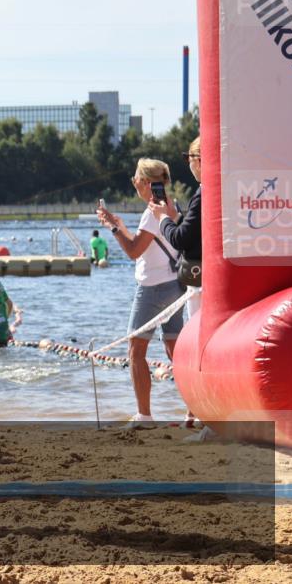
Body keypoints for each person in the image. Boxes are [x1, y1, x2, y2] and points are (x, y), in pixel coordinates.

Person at [97, 158, 186, 428]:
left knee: (136, 351)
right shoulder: (172, 206)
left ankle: (144, 416)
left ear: (146, 182)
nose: (134, 183)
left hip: (152, 289)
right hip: (176, 286)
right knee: (176, 352)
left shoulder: (150, 213)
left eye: (136, 179)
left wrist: (113, 230)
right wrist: (122, 227)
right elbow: (148, 245)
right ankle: (194, 411)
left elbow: (134, 251)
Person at [149, 137, 202, 430]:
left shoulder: (204, 192)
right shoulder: (215, 190)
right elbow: (192, 229)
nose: (189, 163)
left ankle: (199, 413)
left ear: (200, 159)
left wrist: (162, 220)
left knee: (197, 346)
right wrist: (175, 216)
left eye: (189, 157)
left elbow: (182, 239)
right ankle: (196, 412)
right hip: (204, 279)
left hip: (199, 280)